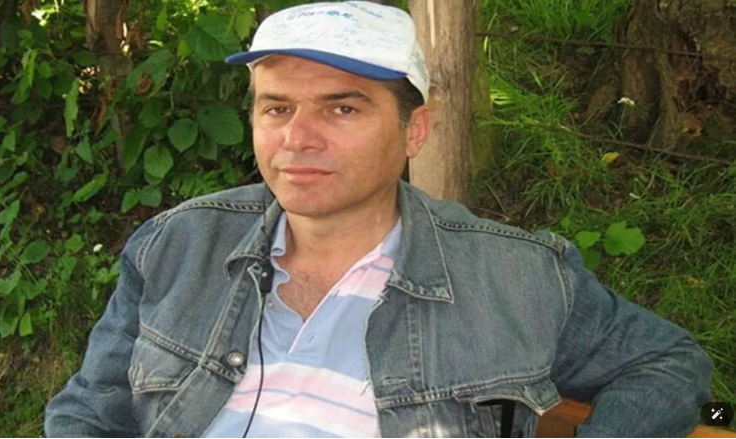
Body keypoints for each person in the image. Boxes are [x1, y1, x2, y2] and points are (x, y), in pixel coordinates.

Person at [45, 1, 714, 437]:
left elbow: (669, 362)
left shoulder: (514, 276)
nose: (297, 138)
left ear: (414, 129)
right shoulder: (176, 246)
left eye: (342, 108)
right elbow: (88, 414)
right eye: (277, 108)